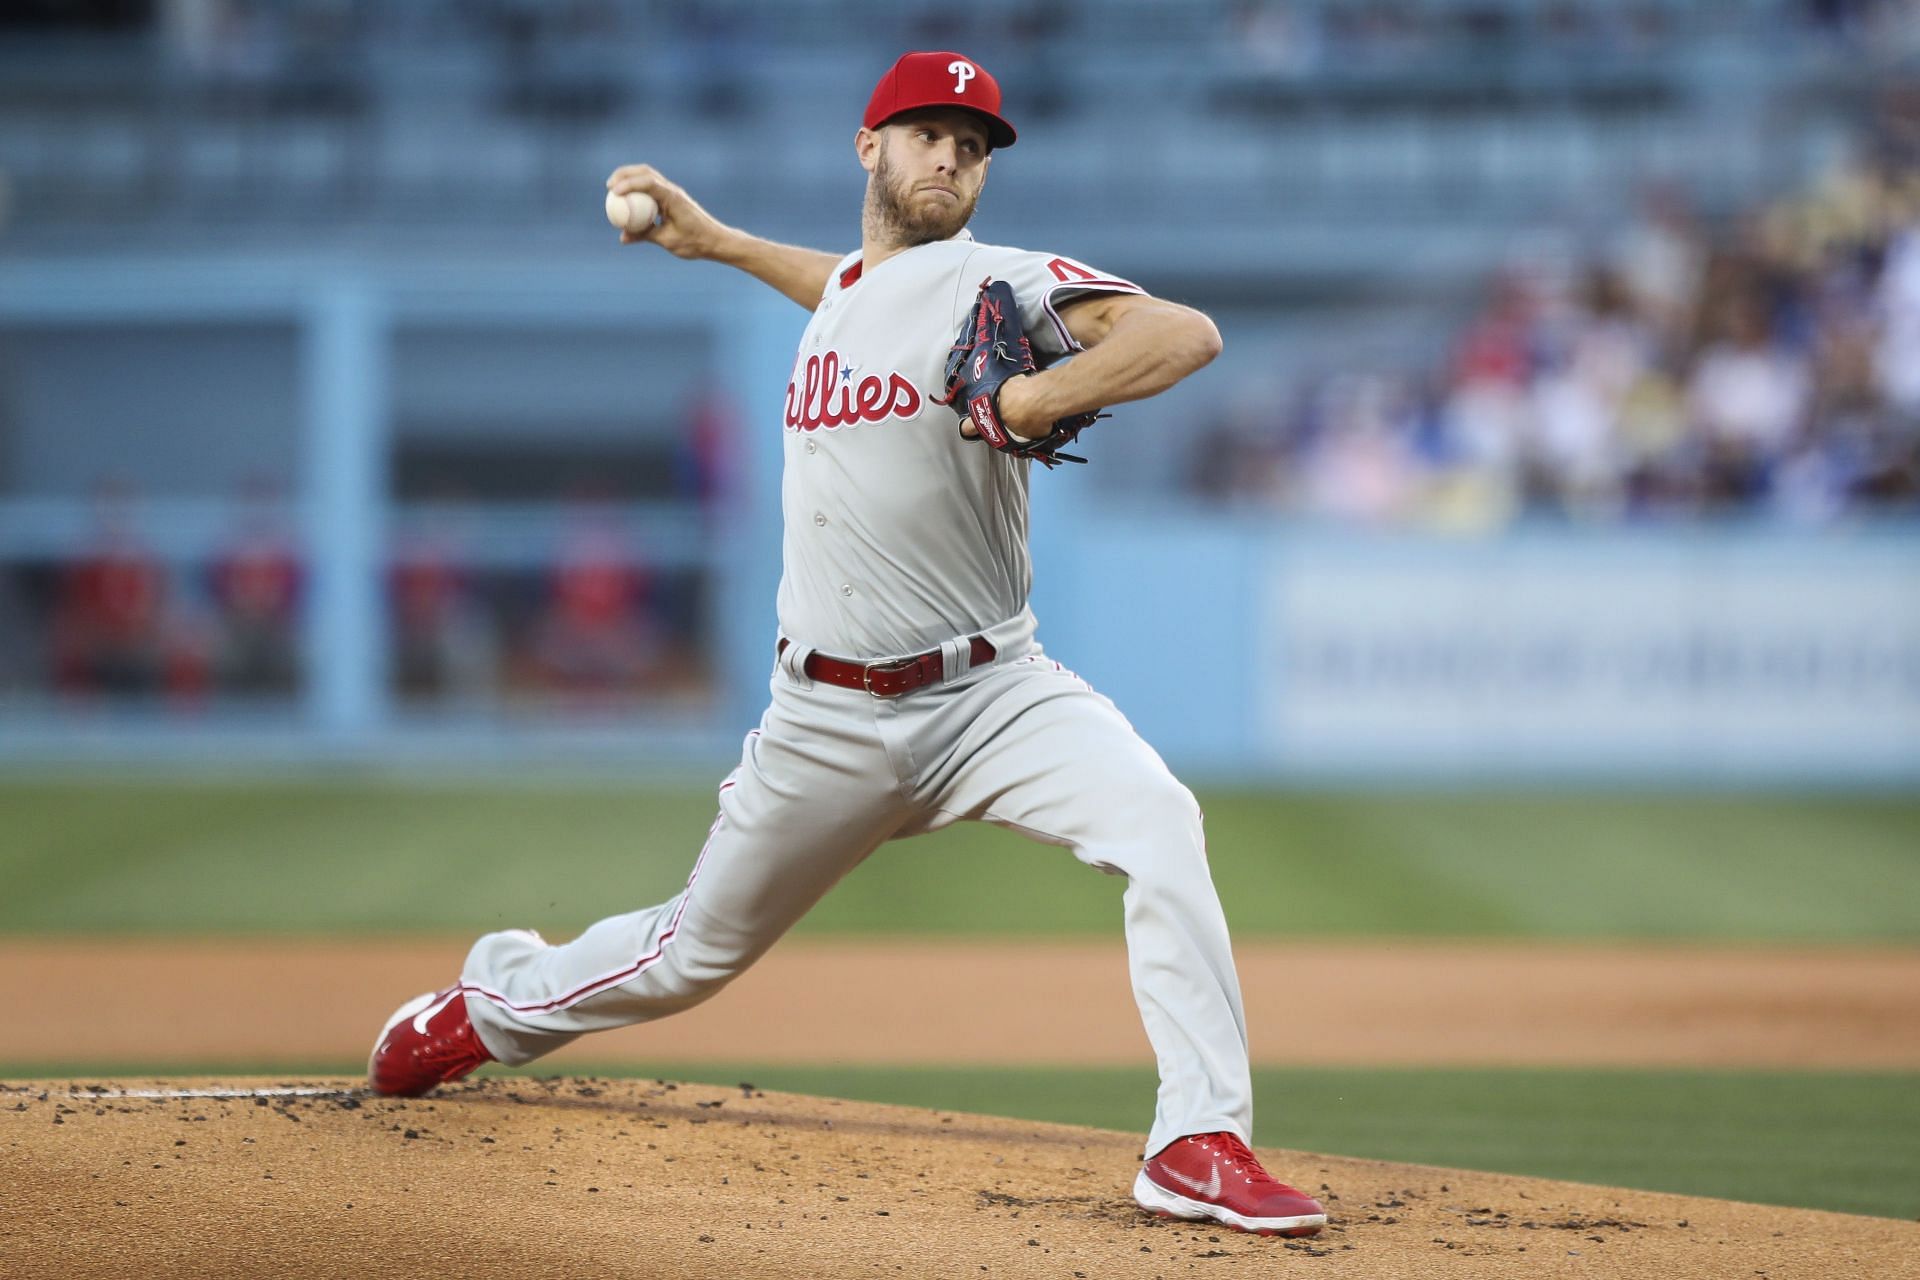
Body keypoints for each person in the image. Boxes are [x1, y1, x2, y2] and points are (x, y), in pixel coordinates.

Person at [368, 50, 1327, 1240]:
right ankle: (491, 1003)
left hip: (994, 693)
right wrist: (718, 242)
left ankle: (1198, 1139)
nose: (954, 156)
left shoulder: (999, 282)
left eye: (974, 145)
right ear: (869, 146)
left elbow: (1183, 333)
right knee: (687, 956)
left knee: (1159, 821)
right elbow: (844, 281)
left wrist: (1031, 398)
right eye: (930, 131)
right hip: (822, 716)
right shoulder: (854, 292)